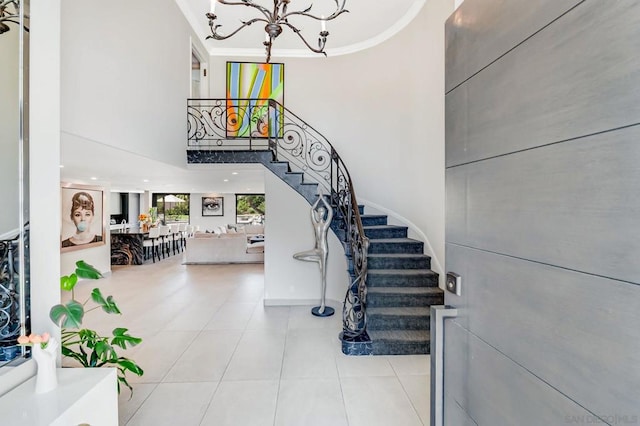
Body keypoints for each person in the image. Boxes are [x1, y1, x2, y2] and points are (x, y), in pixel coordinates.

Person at [293, 194, 334, 316]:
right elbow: (312, 210)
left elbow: (331, 211)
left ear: (324, 214)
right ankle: (317, 260)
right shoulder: (315, 224)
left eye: (322, 212)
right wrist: (318, 200)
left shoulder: (326, 224)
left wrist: (323, 201)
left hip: (324, 250)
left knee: (323, 276)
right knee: (297, 256)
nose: (320, 214)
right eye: (319, 212)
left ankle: (322, 303)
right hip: (316, 250)